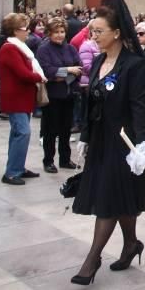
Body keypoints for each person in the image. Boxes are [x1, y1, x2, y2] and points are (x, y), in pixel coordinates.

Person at [71, 0, 145, 286]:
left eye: (99, 32)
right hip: (102, 141)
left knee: (109, 201)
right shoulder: (99, 59)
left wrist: (142, 146)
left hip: (125, 145)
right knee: (121, 199)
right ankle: (131, 244)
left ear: (116, 33)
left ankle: (92, 259)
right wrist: (85, 137)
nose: (94, 37)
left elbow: (140, 107)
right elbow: (94, 103)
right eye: (92, 32)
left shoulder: (134, 66)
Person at [0, 13, 47, 185]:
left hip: (21, 98)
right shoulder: (9, 49)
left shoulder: (18, 47)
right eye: (25, 29)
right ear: (15, 31)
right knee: (22, 133)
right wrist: (39, 77)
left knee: (18, 133)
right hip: (15, 98)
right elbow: (23, 74)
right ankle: (12, 173)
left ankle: (17, 167)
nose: (28, 32)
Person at [36, 17, 83, 173]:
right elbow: (46, 71)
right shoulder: (44, 49)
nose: (59, 35)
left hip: (69, 95)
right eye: (56, 32)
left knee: (65, 130)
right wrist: (68, 71)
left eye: (62, 32)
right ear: (49, 33)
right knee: (50, 130)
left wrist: (62, 76)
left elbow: (79, 69)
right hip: (52, 96)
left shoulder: (70, 48)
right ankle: (48, 160)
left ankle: (65, 159)